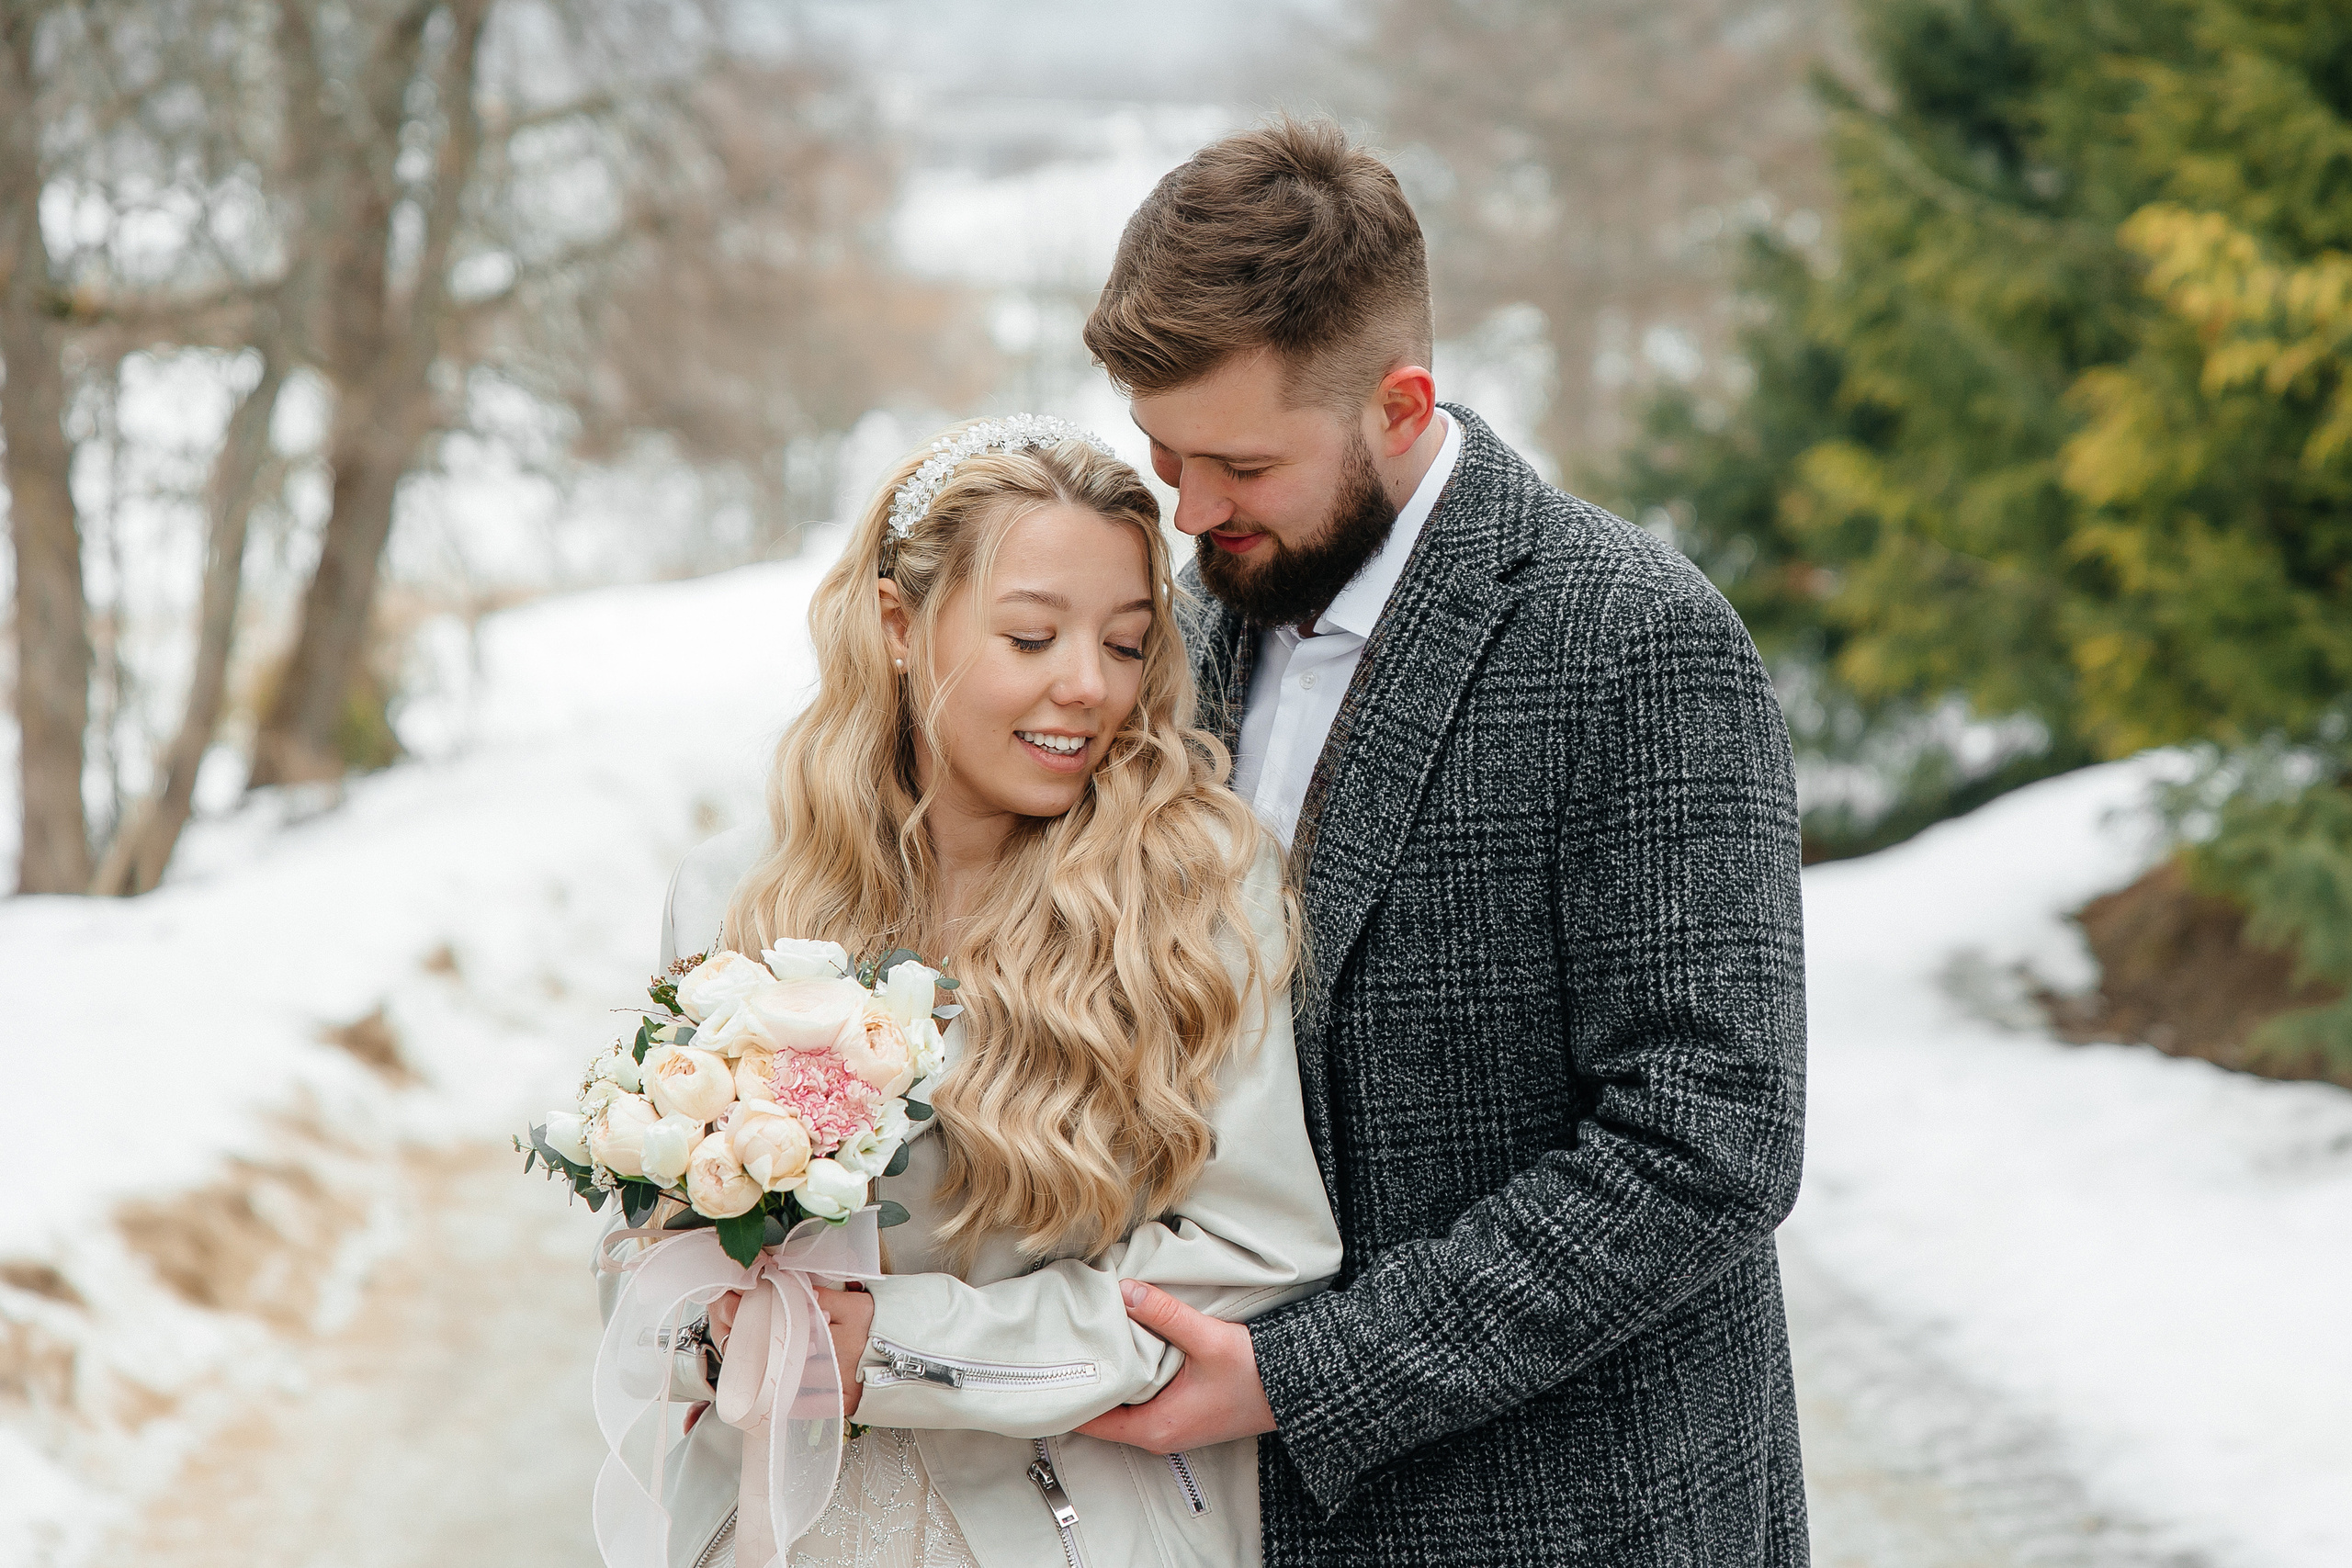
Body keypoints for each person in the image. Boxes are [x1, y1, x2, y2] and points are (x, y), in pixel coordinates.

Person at [1070, 119, 1811, 1566]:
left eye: (1236, 461)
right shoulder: (1192, 610)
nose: (1191, 509)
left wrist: (1305, 1374)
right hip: (1244, 1518)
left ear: (1401, 405)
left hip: (1581, 1515)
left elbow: (1713, 1137)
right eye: (1162, 455)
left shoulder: (1634, 640)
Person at [619, 417, 1341, 1568]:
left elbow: (1254, 1256)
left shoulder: (1197, 884)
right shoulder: (734, 890)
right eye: (1031, 636)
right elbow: (640, 1265)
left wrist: (897, 1349)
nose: (1087, 687)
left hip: (1073, 1528)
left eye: (1123, 643)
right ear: (900, 626)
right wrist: (719, 1342)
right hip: (776, 1528)